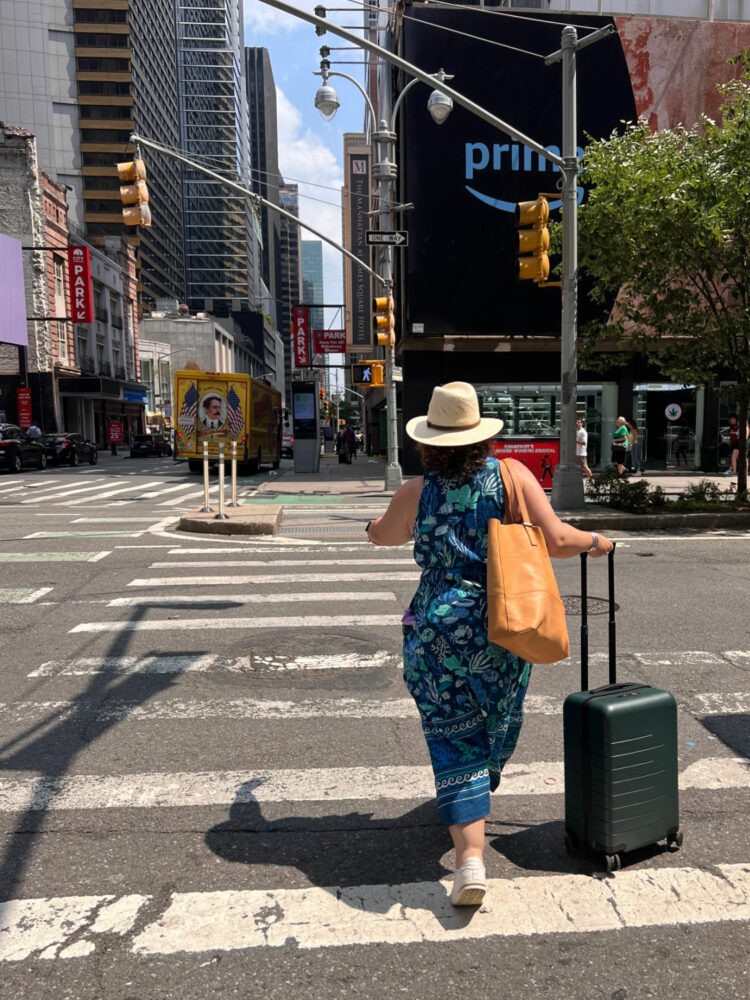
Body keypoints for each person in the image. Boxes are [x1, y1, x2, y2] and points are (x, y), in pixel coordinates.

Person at [366, 381, 614, 907]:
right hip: (503, 627)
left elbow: (384, 534)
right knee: (496, 724)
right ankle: (472, 822)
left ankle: (469, 853)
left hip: (434, 633)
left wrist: (371, 526)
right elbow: (558, 541)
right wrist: (599, 542)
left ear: (429, 440)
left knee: (453, 736)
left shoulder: (416, 490)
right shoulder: (512, 477)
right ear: (481, 435)